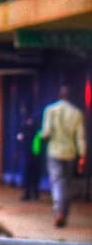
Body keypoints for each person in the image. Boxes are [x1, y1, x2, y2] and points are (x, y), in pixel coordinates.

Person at [40, 85, 87, 227]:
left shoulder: (50, 110)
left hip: (54, 151)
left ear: (59, 95)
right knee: (67, 183)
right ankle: (65, 213)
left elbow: (46, 132)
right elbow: (80, 137)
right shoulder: (77, 113)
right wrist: (82, 155)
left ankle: (59, 211)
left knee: (57, 182)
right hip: (70, 153)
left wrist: (39, 137)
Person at [16, 102, 42, 201]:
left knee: (28, 171)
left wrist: (22, 136)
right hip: (37, 149)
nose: (22, 110)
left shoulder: (29, 119)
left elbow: (27, 134)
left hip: (30, 149)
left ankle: (28, 194)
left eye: (23, 108)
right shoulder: (36, 118)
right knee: (35, 171)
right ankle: (35, 193)